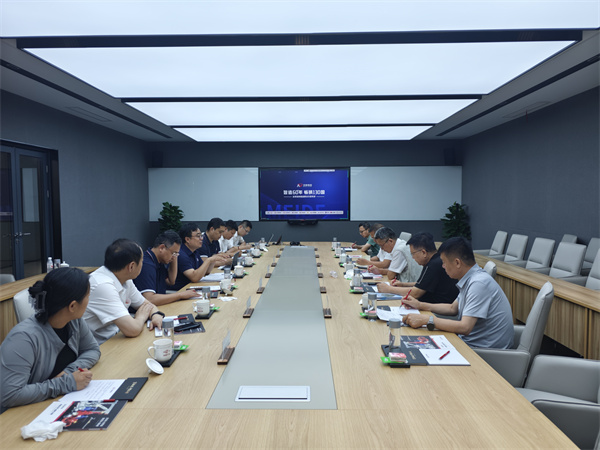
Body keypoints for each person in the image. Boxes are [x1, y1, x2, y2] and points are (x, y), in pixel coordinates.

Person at [0, 268, 100, 413]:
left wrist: (68, 372)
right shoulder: (23, 338)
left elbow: (92, 350)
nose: (88, 301)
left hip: (52, 404)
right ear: (72, 306)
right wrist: (66, 383)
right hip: (20, 414)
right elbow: (10, 395)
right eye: (88, 296)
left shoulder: (74, 321)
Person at [403, 237, 514, 349]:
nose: (443, 266)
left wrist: (427, 320)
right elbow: (452, 308)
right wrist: (420, 305)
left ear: (457, 263)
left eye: (444, 262)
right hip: (467, 342)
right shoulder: (471, 277)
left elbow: (465, 327)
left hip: (481, 351)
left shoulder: (478, 283)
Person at [84, 239, 164, 345]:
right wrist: (141, 316)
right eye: (141, 261)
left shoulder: (124, 278)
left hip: (117, 336)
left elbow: (147, 305)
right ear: (131, 266)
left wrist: (156, 315)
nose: (142, 264)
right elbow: (133, 329)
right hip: (100, 346)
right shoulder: (102, 286)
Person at [377, 232, 458, 304]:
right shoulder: (434, 260)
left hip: (435, 309)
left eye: (413, 254)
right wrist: (403, 284)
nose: (413, 257)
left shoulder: (433, 265)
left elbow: (416, 293)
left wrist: (389, 289)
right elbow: (422, 284)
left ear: (423, 252)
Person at [133, 230, 198, 306]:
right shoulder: (147, 264)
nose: (174, 257)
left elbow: (171, 281)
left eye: (176, 254)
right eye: (173, 253)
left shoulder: (159, 260)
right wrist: (180, 295)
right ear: (162, 248)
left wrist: (174, 255)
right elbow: (150, 299)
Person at [170, 223, 231, 291]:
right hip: (180, 290)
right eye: (198, 236)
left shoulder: (195, 251)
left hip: (191, 287)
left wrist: (213, 259)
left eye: (201, 236)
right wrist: (209, 260)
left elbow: (206, 271)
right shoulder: (181, 254)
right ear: (187, 239)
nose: (201, 238)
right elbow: (194, 278)